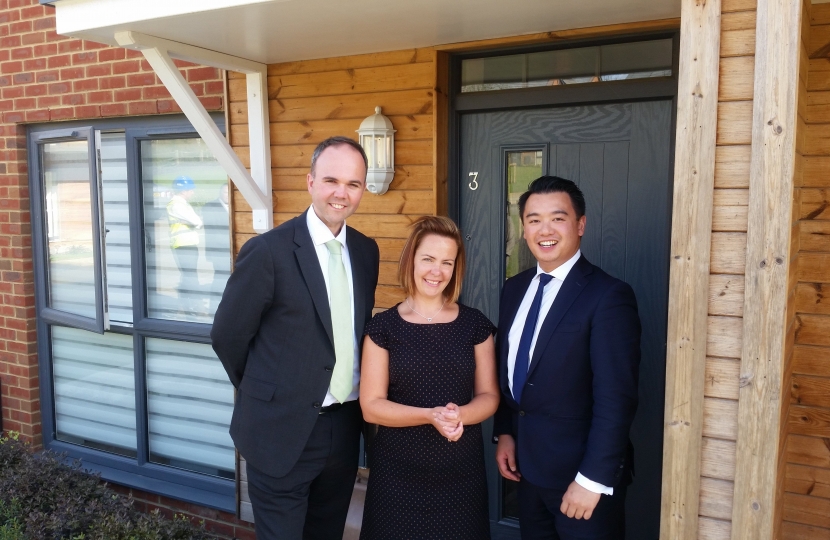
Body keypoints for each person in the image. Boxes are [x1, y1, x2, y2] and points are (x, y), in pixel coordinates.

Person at [211, 137, 379, 540]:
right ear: (310, 182)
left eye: (353, 184)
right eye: (331, 180)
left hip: (343, 428)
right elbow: (227, 336)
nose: (342, 193)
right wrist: (267, 391)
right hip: (279, 431)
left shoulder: (366, 251)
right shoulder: (268, 251)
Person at [493, 176, 641, 540]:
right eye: (533, 219)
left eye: (557, 218)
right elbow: (510, 368)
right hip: (527, 472)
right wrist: (506, 433)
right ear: (523, 229)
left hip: (582, 481)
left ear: (580, 225)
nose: (545, 229)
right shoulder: (514, 288)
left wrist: (592, 480)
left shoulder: (608, 296)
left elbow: (616, 398)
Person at [359, 216, 500, 540]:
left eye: (447, 262)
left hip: (460, 476)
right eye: (428, 259)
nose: (437, 271)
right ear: (411, 260)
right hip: (397, 476)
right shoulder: (383, 328)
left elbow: (489, 396)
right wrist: (429, 416)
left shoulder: (474, 325)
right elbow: (371, 406)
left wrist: (458, 415)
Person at [166, 175, 203, 300]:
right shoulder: (177, 205)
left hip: (187, 244)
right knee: (189, 275)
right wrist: (194, 223)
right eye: (190, 189)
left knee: (189, 274)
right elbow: (197, 221)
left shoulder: (182, 204)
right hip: (183, 245)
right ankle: (191, 301)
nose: (193, 192)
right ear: (183, 191)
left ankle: (190, 300)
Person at [202, 183, 230, 313]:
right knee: (219, 278)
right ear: (220, 193)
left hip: (229, 251)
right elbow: (214, 231)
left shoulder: (232, 207)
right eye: (225, 192)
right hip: (218, 250)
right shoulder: (210, 207)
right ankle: (214, 308)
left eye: (229, 193)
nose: (227, 195)